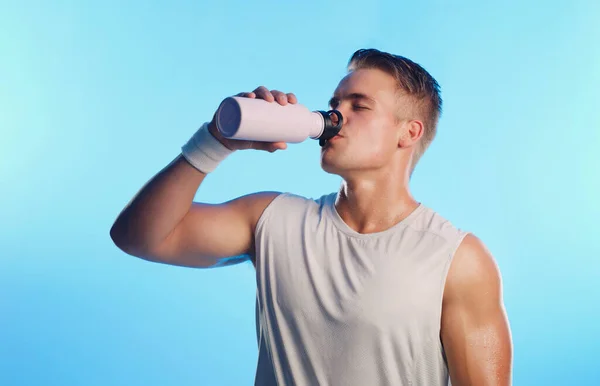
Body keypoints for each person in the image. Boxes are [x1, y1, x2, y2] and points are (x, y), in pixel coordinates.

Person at [110, 48, 513, 385]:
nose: (334, 115)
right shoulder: (271, 219)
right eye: (335, 103)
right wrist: (215, 140)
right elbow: (139, 237)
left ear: (407, 133)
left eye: (360, 106)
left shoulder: (456, 259)